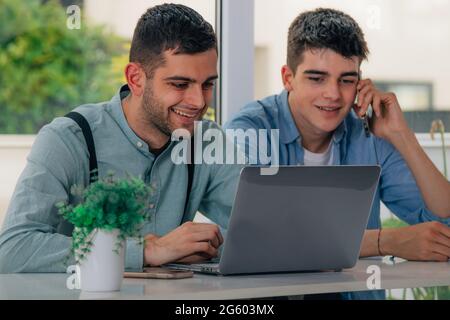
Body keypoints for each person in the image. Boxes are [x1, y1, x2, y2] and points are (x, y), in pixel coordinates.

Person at [224, 8, 450, 299]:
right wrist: (384, 241)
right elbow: (263, 238)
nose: (333, 94)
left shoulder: (368, 134)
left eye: (346, 80)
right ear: (288, 77)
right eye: (317, 78)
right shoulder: (250, 129)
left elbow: (444, 223)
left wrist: (401, 136)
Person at [0, 4, 242, 273]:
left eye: (207, 84)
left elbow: (268, 229)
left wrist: (207, 245)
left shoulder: (207, 142)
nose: (199, 102)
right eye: (179, 84)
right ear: (136, 79)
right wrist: (147, 250)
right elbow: (14, 249)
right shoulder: (70, 139)